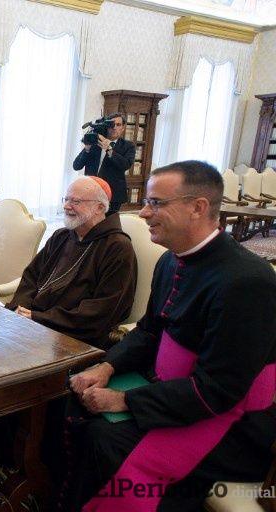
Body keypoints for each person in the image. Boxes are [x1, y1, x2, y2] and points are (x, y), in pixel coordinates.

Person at [64, 161, 276, 511]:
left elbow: (219, 390)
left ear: (198, 208)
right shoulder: (171, 260)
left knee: (106, 437)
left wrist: (126, 401)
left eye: (157, 203)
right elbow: (149, 331)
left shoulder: (248, 282)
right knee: (72, 398)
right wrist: (107, 368)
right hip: (172, 391)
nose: (145, 212)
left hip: (230, 424)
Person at [0, 176, 137, 350]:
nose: (66, 206)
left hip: (76, 338)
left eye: (76, 201)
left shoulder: (117, 247)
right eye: (67, 199)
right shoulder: (61, 236)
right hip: (33, 325)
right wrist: (20, 310)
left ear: (99, 207)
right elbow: (31, 277)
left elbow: (102, 311)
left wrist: (37, 318)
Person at [73, 113, 135, 215]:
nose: (114, 127)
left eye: (118, 125)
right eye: (111, 124)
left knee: (108, 225)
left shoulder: (128, 146)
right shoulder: (94, 142)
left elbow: (125, 165)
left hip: (113, 194)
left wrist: (109, 149)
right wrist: (87, 149)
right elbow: (76, 166)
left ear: (123, 128)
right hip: (90, 192)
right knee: (88, 222)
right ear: (107, 126)